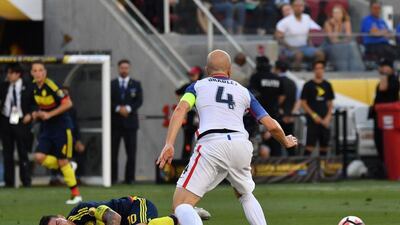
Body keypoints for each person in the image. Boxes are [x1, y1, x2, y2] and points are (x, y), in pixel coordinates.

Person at [157, 49, 297, 225]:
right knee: (245, 193)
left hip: (212, 145)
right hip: (241, 145)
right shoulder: (244, 92)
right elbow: (271, 124)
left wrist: (169, 143)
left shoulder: (197, 86)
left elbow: (180, 110)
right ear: (230, 71)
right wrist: (285, 140)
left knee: (180, 205)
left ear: (207, 70)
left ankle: (190, 212)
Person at [30, 61, 82, 204]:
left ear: (45, 72)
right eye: (35, 70)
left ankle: (76, 195)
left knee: (62, 160)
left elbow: (68, 104)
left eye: (40, 70)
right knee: (39, 157)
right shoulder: (33, 88)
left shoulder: (52, 86)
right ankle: (68, 167)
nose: (38, 73)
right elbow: (35, 106)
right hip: (47, 128)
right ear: (32, 73)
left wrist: (50, 114)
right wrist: (35, 113)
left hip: (62, 128)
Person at [39, 195, 211, 225]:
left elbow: (114, 218)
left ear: (61, 216)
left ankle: (184, 216)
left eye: (57, 223)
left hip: (135, 206)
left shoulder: (81, 211)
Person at [0, 64, 34, 187]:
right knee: (7, 152)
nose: (8, 75)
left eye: (10, 73)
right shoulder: (4, 86)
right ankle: (8, 182)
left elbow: (34, 103)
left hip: (21, 122)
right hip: (6, 121)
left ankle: (26, 180)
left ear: (18, 74)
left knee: (22, 152)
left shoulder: (28, 87)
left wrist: (30, 114)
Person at [111, 59, 143, 184]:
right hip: (115, 123)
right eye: (122, 68)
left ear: (129, 69)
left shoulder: (136, 84)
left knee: (131, 152)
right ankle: (113, 178)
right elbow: (108, 100)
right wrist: (118, 108)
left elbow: (139, 101)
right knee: (113, 152)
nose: (124, 70)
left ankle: (130, 178)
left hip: (131, 124)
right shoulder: (112, 84)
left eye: (126, 68)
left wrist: (128, 108)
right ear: (118, 69)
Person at [369, 59, 399, 178]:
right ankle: (384, 168)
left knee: (389, 144)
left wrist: (384, 75)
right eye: (382, 67)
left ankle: (391, 169)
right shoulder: (383, 80)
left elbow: (383, 88)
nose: (384, 69)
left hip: (390, 116)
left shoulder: (394, 81)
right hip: (380, 116)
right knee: (379, 142)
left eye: (386, 66)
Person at [249, 56, 285, 156]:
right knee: (277, 143)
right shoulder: (277, 78)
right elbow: (282, 96)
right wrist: (276, 105)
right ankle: (278, 167)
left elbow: (250, 95)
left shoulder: (256, 77)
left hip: (259, 115)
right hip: (275, 114)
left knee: (258, 145)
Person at [275, 0, 325, 71]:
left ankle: (315, 72)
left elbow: (312, 31)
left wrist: (310, 43)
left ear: (303, 7)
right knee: (299, 55)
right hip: (289, 48)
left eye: (301, 6)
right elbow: (278, 37)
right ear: (292, 7)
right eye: (296, 6)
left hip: (304, 47)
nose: (299, 8)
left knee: (320, 54)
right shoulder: (285, 21)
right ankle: (297, 73)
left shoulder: (307, 18)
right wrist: (290, 47)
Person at [300, 60, 335, 156]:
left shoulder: (327, 85)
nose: (319, 71)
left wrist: (328, 117)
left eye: (321, 68)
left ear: (324, 70)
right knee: (310, 146)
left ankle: (323, 169)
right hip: (312, 121)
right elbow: (303, 103)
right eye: (317, 68)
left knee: (324, 146)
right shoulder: (308, 85)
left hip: (325, 120)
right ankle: (306, 168)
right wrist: (314, 116)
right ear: (314, 70)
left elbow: (330, 103)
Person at [324, 5, 365, 71]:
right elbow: (333, 40)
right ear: (332, 14)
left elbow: (348, 38)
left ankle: (356, 69)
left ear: (342, 14)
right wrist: (336, 26)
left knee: (352, 45)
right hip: (331, 46)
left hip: (345, 45)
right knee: (346, 46)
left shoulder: (346, 22)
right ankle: (343, 69)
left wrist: (340, 41)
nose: (336, 14)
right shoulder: (328, 23)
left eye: (338, 13)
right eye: (335, 13)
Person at [175, 66, 203, 159]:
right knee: (187, 141)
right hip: (190, 116)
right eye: (190, 74)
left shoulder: (203, 85)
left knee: (203, 141)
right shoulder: (187, 86)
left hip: (201, 116)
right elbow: (178, 92)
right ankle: (185, 162)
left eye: (193, 74)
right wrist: (183, 108)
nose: (191, 76)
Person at [274, 60, 299, 156]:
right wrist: (292, 114)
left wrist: (280, 110)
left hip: (279, 117)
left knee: (277, 144)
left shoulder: (277, 81)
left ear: (277, 69)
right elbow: (298, 100)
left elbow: (279, 99)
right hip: (290, 117)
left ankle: (277, 168)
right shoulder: (292, 82)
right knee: (291, 143)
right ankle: (294, 166)